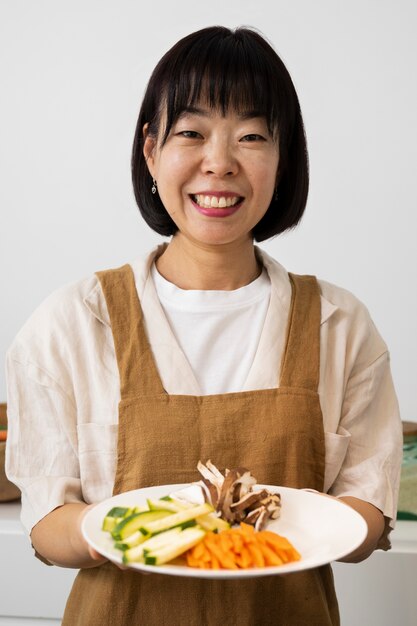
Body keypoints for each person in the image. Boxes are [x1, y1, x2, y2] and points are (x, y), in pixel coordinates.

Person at [6, 25, 402, 626]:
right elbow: (45, 527)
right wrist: (139, 531)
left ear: (283, 156)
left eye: (251, 136)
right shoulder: (71, 322)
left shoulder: (339, 325)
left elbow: (367, 510)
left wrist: (338, 523)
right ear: (150, 151)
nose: (219, 163)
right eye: (191, 132)